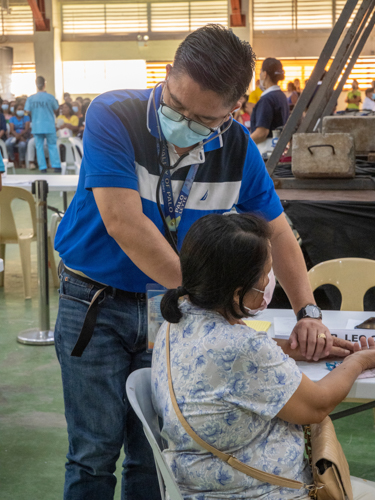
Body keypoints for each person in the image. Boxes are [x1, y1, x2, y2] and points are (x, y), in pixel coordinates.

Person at [54, 24, 333, 500]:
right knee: (94, 450)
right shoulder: (114, 115)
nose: (182, 121)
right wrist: (214, 301)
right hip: (96, 305)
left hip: (172, 311)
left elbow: (278, 231)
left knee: (152, 450)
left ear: (233, 111)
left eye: (202, 118)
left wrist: (308, 311)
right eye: (175, 105)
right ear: (167, 74)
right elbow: (124, 223)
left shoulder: (238, 148)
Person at [152, 212, 375, 500]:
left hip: (200, 483)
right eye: (266, 273)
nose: (271, 280)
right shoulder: (242, 348)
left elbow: (226, 362)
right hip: (260, 491)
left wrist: (287, 347)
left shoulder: (176, 319)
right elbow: (317, 405)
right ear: (236, 293)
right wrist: (361, 360)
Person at [250, 58, 289, 155]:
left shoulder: (267, 100)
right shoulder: (281, 96)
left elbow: (262, 133)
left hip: (265, 151)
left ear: (265, 74)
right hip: (278, 148)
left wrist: (244, 143)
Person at [24, 76, 61, 171]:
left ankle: (42, 167)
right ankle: (56, 166)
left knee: (39, 146)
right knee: (52, 145)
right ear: (45, 84)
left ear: (36, 85)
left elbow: (27, 110)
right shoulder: (50, 97)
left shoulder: (31, 98)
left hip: (37, 125)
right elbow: (56, 108)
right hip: (49, 125)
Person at [6, 101, 30, 167]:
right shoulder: (12, 119)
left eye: (22, 109)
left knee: (22, 145)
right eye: (19, 109)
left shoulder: (26, 118)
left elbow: (26, 129)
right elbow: (12, 130)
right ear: (15, 110)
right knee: (8, 143)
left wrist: (20, 136)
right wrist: (17, 136)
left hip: (24, 136)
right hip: (14, 136)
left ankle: (22, 161)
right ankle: (13, 160)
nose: (20, 111)